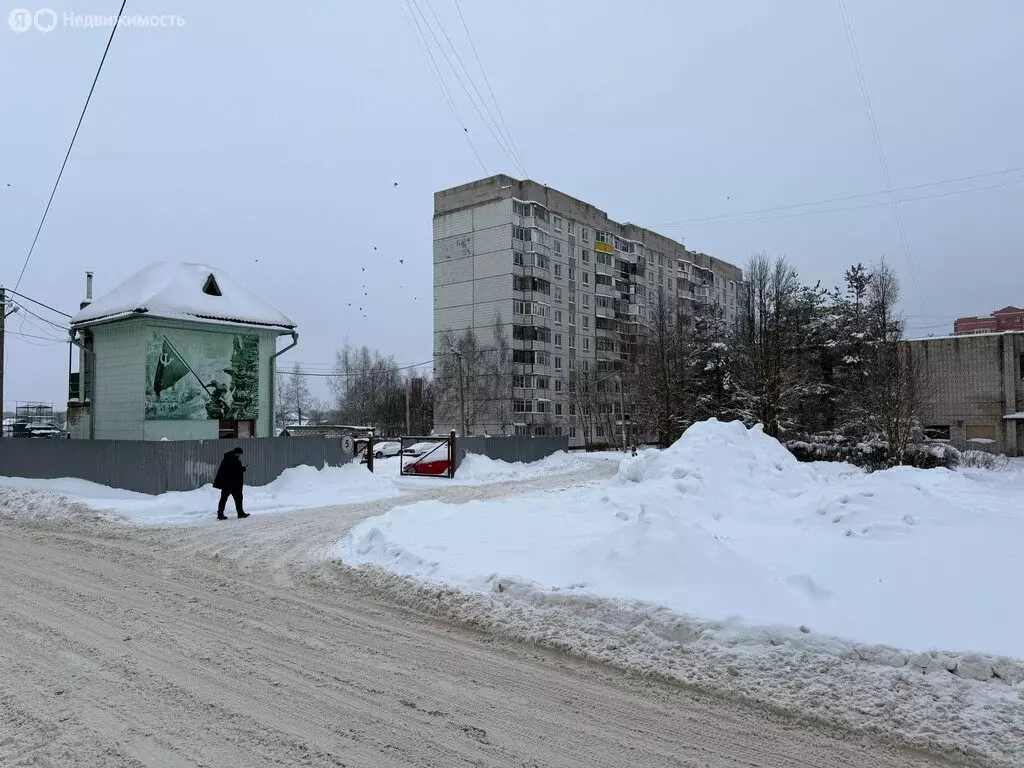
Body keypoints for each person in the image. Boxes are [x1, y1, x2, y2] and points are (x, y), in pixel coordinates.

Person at [213, 446, 249, 520]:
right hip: (233, 484)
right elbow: (235, 471)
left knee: (224, 499)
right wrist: (243, 469)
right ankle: (240, 513)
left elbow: (230, 471)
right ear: (237, 453)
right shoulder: (234, 460)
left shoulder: (227, 458)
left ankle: (220, 514)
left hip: (227, 483)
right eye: (240, 454)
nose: (240, 456)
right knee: (237, 499)